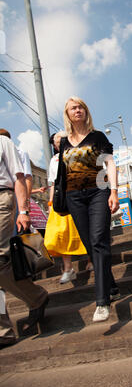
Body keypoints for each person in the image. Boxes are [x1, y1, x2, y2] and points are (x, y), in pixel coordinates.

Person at [60, 96, 120, 322]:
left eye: (81, 107)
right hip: (74, 197)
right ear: (67, 114)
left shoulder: (97, 137)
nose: (77, 111)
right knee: (89, 245)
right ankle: (112, 286)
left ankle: (102, 302)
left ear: (86, 111)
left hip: (98, 192)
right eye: (73, 108)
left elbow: (110, 164)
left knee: (99, 241)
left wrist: (114, 191)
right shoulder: (65, 141)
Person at [0, 134, 49, 347]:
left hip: (2, 198)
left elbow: (19, 177)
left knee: (0, 259)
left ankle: (36, 296)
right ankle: (4, 332)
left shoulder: (3, 142)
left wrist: (24, 210)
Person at [44, 132, 91, 284]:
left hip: (80, 195)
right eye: (56, 141)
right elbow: (53, 183)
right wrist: (51, 203)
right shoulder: (54, 160)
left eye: (61, 139)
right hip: (63, 200)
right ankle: (68, 268)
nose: (58, 142)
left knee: (85, 229)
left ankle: (93, 260)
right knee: (62, 233)